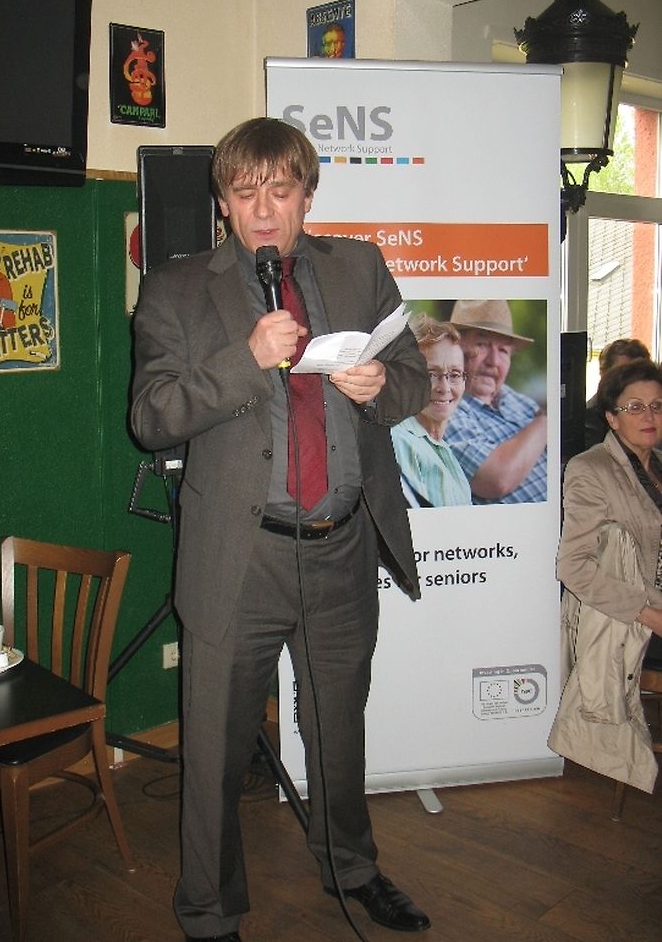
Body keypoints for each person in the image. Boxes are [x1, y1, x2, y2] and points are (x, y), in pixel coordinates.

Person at [130, 117, 432, 942]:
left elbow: (414, 376)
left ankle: (352, 866)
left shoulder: (360, 267)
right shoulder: (177, 289)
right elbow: (150, 417)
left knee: (339, 729)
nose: (263, 209)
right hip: (240, 556)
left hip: (343, 547)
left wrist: (382, 384)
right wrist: (245, 357)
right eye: (244, 192)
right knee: (215, 750)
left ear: (307, 195)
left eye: (280, 189)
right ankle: (209, 910)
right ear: (223, 205)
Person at [548, 358, 662, 794]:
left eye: (657, 406)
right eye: (635, 407)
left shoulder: (658, 465)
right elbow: (573, 567)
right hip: (634, 620)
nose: (648, 416)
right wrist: (649, 614)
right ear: (612, 418)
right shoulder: (591, 469)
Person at [443, 299, 546, 504]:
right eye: (482, 345)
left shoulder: (515, 399)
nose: (493, 361)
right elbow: (496, 480)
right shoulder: (446, 408)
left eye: (503, 351)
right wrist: (545, 421)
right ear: (455, 350)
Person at [390, 314, 472, 507]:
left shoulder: (441, 447)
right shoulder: (400, 441)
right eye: (431, 374)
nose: (444, 388)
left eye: (455, 374)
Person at [584, 337, 650, 449]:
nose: (631, 381)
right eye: (624, 374)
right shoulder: (589, 421)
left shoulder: (651, 413)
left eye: (639, 374)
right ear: (603, 373)